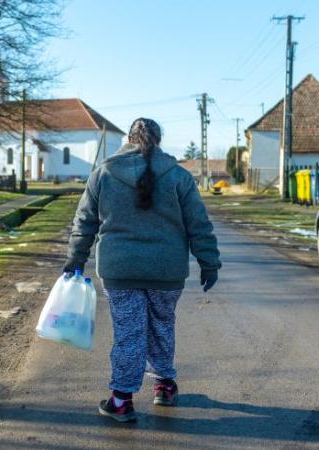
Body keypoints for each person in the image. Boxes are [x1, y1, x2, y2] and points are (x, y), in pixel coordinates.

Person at [63, 117, 221, 423]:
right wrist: (208, 262)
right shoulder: (178, 176)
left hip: (120, 271)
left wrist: (76, 258)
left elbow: (85, 222)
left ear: (128, 139)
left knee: (129, 333)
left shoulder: (104, 173)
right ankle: (164, 385)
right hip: (167, 271)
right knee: (162, 325)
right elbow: (198, 223)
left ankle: (121, 400)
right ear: (158, 141)